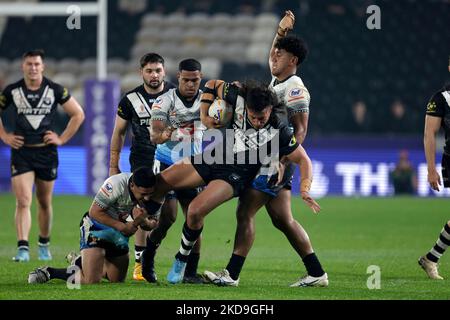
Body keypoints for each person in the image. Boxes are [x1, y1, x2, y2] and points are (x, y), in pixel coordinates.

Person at [139, 79, 320, 285]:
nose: (258, 121)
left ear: (270, 109)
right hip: (214, 155)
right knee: (161, 181)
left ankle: (181, 259)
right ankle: (149, 247)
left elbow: (304, 160)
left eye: (262, 117)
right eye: (253, 117)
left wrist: (305, 189)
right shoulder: (237, 97)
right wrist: (205, 116)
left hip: (236, 172)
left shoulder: (280, 127)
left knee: (195, 211)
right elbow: (212, 84)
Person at [203, 10, 328, 287]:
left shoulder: (295, 88)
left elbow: (301, 130)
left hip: (275, 160)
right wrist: (280, 32)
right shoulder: (278, 81)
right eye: (273, 53)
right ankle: (317, 273)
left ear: (292, 60)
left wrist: (281, 162)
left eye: (279, 54)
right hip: (270, 156)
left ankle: (232, 275)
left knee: (245, 211)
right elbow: (273, 53)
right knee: (283, 220)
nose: (273, 57)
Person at [0, 49, 85, 262]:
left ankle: (44, 244)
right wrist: (4, 135)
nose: (33, 68)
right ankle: (23, 248)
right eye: (29, 64)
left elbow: (78, 114)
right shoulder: (12, 91)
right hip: (22, 152)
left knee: (44, 202)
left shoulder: (55, 90)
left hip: (46, 152)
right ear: (23, 66)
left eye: (37, 64)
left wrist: (62, 139)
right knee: (23, 200)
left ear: (43, 66)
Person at [28, 167, 158, 284]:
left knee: (116, 279)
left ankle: (79, 262)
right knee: (91, 280)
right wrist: (122, 227)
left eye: (149, 194)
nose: (146, 198)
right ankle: (50, 272)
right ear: (132, 185)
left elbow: (149, 224)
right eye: (143, 194)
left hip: (117, 234)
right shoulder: (116, 184)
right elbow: (94, 212)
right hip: (96, 228)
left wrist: (146, 222)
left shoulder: (153, 192)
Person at [109, 52, 175, 281]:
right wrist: (113, 164)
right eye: (149, 71)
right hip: (142, 162)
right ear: (141, 73)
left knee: (169, 215)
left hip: (171, 160)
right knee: (142, 211)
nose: (154, 75)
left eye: (158, 70)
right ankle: (140, 265)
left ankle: (150, 256)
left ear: (164, 71)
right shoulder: (130, 99)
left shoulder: (175, 95)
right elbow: (118, 132)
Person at [141, 58, 206, 284]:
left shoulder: (207, 101)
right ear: (178, 77)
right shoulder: (164, 101)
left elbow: (223, 119)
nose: (190, 84)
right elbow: (154, 136)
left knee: (195, 217)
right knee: (167, 218)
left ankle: (189, 272)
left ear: (200, 78)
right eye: (186, 79)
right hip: (167, 164)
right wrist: (168, 132)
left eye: (195, 80)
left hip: (192, 167)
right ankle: (147, 260)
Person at [418, 61, 450, 280]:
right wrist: (431, 169)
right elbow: (430, 134)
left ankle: (431, 258)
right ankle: (432, 258)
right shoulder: (441, 98)